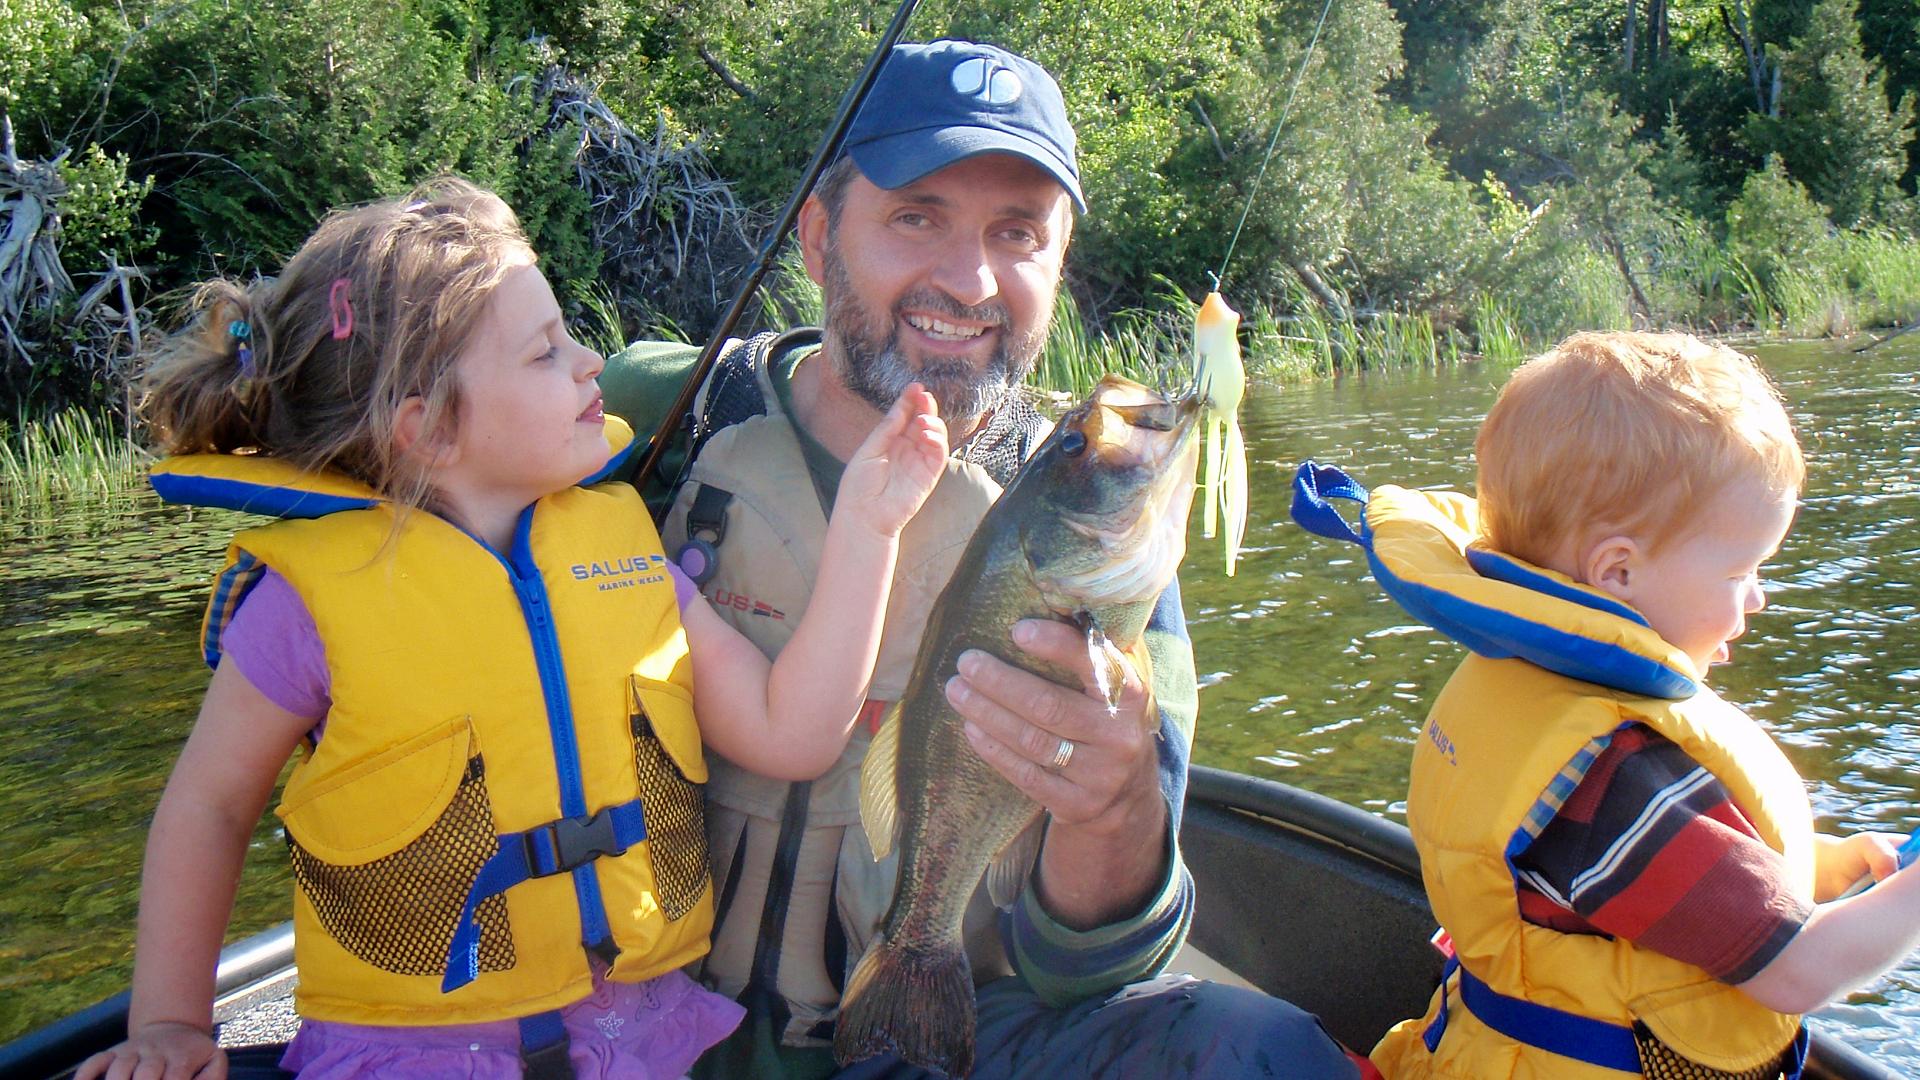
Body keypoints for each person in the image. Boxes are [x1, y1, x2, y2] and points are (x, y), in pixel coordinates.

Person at [76, 178, 952, 1080]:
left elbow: (795, 730)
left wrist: (869, 525)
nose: (588, 363)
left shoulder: (624, 551)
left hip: (641, 1046)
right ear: (428, 427)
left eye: (570, 335)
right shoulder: (304, 605)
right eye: (544, 353)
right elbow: (209, 808)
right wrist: (174, 1025)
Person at [602, 38, 1359, 1079]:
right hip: (633, 1026)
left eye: (1019, 235)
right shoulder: (657, 413)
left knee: (1259, 1052)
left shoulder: (1098, 525)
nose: (969, 281)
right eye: (917, 217)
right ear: (819, 237)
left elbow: (1091, 962)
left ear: (1058, 266)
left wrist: (1113, 799)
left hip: (937, 1041)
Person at [1292, 331, 1920, 1079]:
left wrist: (1821, 864)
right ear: (1617, 571)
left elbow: (1649, 886)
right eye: (1741, 571)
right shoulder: (1617, 770)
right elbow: (1799, 970)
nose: (1760, 596)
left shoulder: (1533, 683)